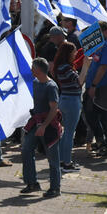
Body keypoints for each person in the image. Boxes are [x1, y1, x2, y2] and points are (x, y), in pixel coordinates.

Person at [21, 57, 62, 197]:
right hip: (35, 122)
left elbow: (54, 109)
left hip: (49, 126)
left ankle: (55, 188)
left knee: (53, 158)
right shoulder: (35, 82)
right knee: (26, 150)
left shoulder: (51, 86)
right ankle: (32, 183)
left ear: (38, 70)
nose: (31, 70)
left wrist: (44, 126)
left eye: (33, 68)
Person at [52, 42, 83, 172]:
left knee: (66, 133)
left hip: (65, 99)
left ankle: (62, 160)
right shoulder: (65, 68)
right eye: (74, 51)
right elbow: (79, 82)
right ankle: (66, 163)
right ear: (68, 53)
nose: (75, 54)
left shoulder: (61, 67)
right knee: (69, 133)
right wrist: (86, 65)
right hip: (71, 101)